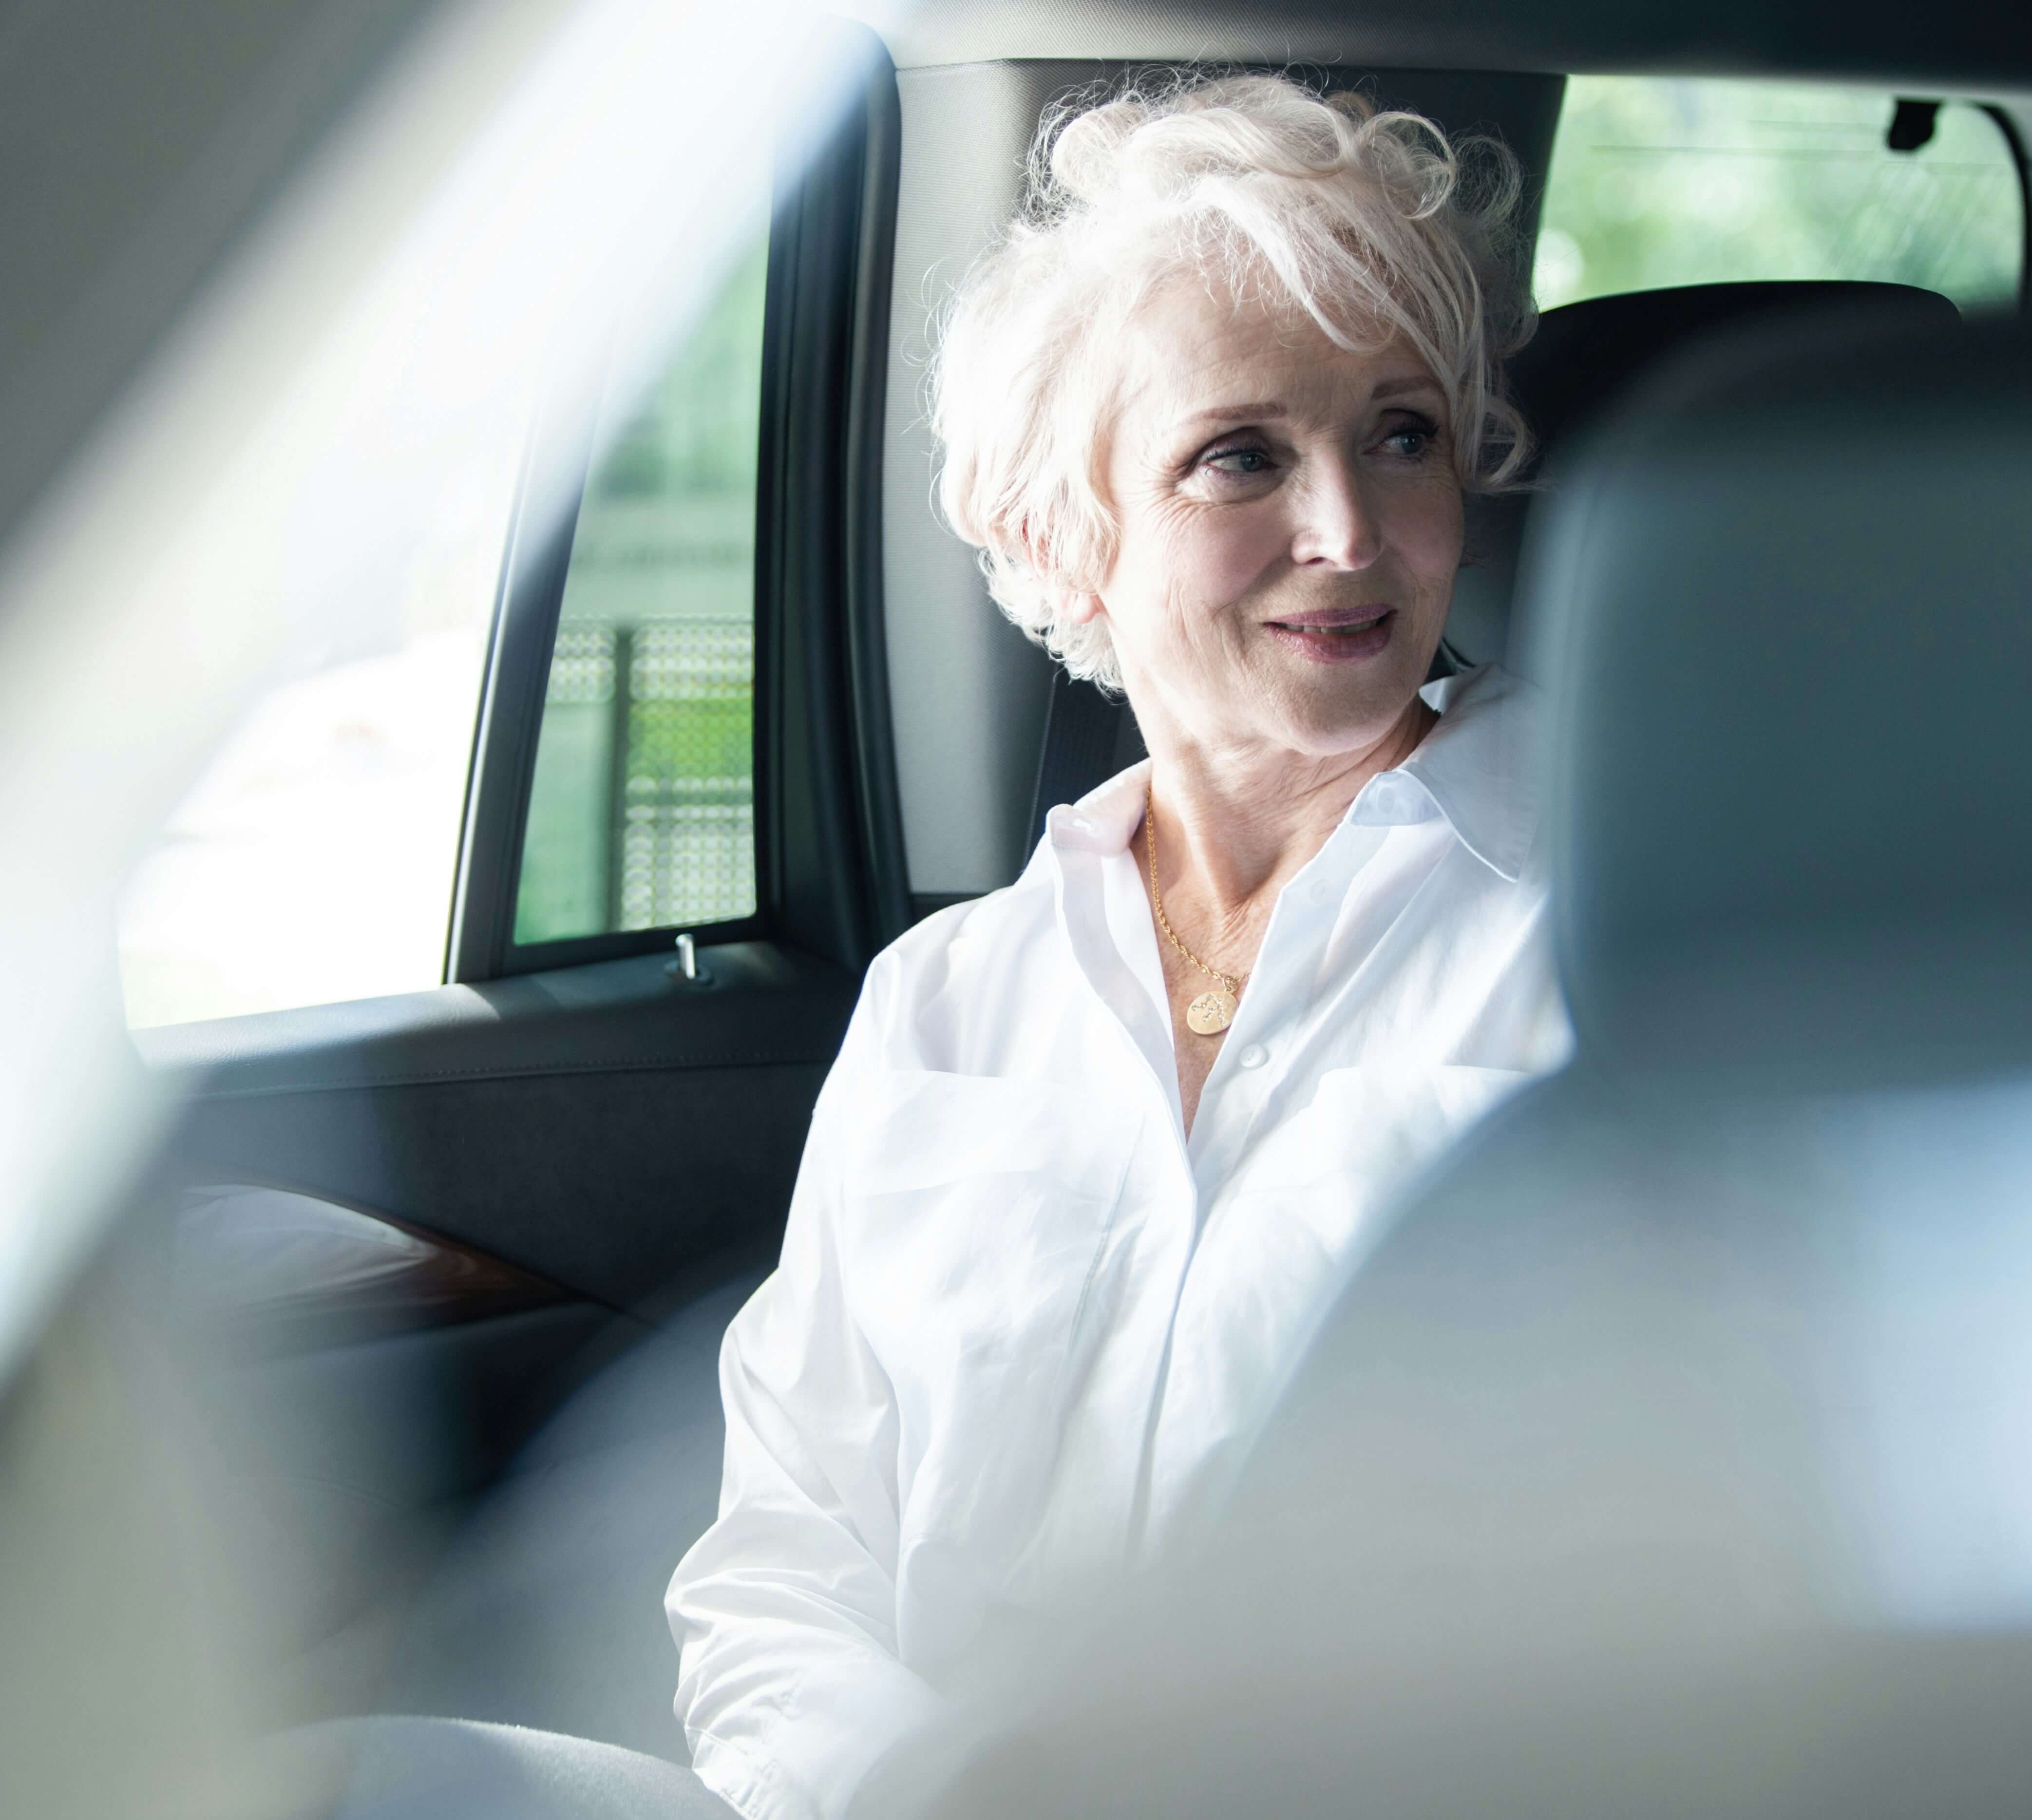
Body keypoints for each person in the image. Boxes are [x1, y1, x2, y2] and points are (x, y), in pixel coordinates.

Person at [664, 73, 1568, 1820]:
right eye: (1242, 454)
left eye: (1402, 434)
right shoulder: (946, 1003)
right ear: (1062, 537)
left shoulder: (1620, 932)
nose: (1350, 533)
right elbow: (779, 1560)